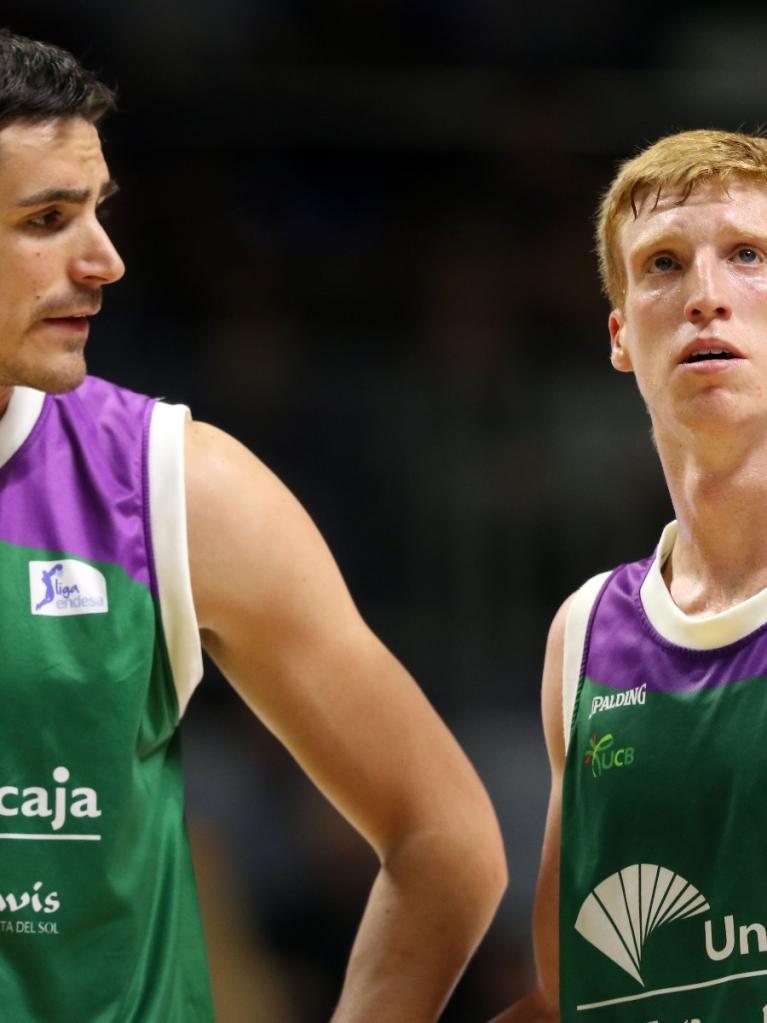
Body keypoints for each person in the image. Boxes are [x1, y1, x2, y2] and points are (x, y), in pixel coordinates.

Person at [0, 28, 508, 1022]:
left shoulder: (176, 484)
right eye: (48, 218)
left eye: (96, 210)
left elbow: (444, 841)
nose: (105, 259)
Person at [490, 127, 767, 1022]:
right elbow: (571, 985)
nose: (704, 297)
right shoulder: (583, 634)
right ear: (618, 335)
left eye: (747, 256)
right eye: (661, 266)